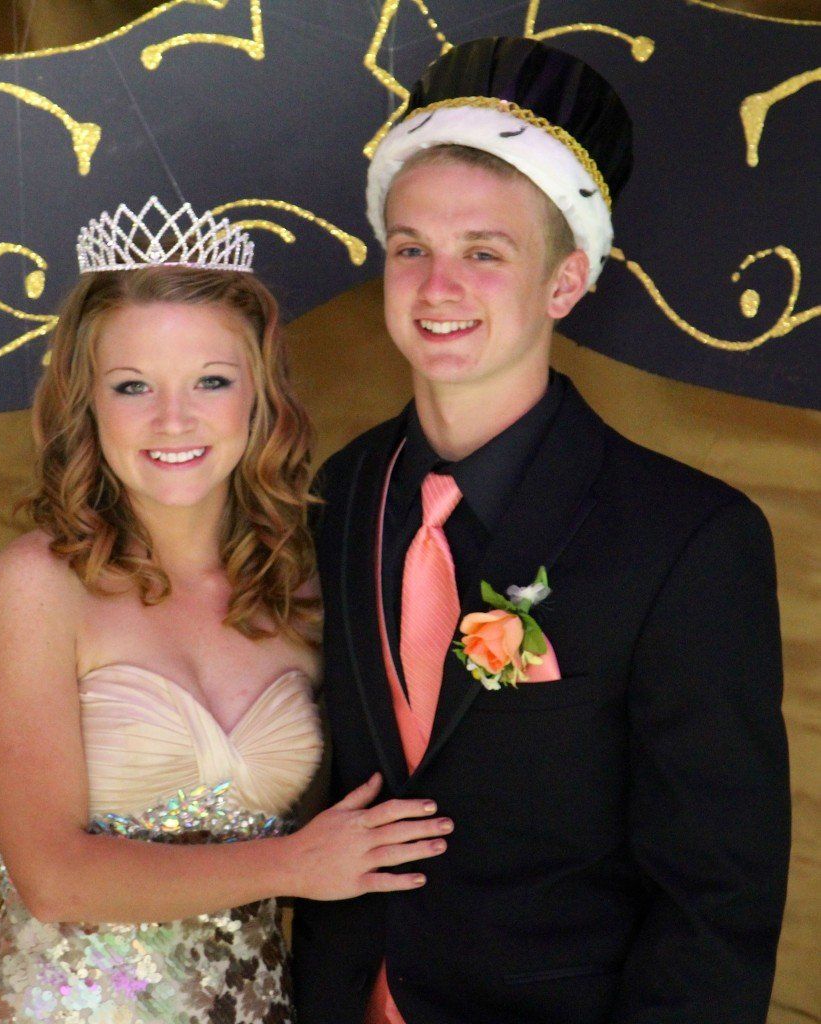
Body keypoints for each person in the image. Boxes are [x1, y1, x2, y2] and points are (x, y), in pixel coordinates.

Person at [292, 37, 790, 1024]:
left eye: (484, 253)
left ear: (564, 283)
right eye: (410, 249)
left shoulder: (687, 540)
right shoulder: (336, 493)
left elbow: (715, 900)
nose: (438, 288)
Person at [0, 197, 451, 1023]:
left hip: (254, 1004)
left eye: (211, 382)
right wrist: (292, 866)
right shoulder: (38, 585)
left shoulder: (306, 582)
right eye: (132, 387)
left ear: (259, 397)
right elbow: (53, 878)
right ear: (87, 402)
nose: (173, 420)